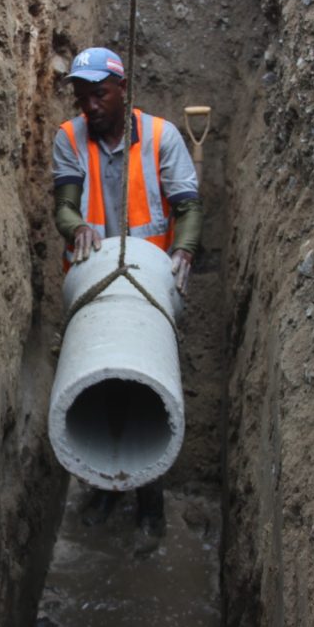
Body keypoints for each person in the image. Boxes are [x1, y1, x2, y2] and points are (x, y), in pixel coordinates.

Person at [51, 47, 202, 539]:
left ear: (122, 89)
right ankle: (102, 486)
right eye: (81, 97)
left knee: (145, 388)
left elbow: (188, 206)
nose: (89, 107)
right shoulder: (70, 138)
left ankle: (149, 501)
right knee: (104, 383)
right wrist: (76, 232)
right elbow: (65, 206)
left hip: (151, 284)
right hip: (97, 283)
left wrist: (184, 252)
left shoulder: (162, 137)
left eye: (98, 94)